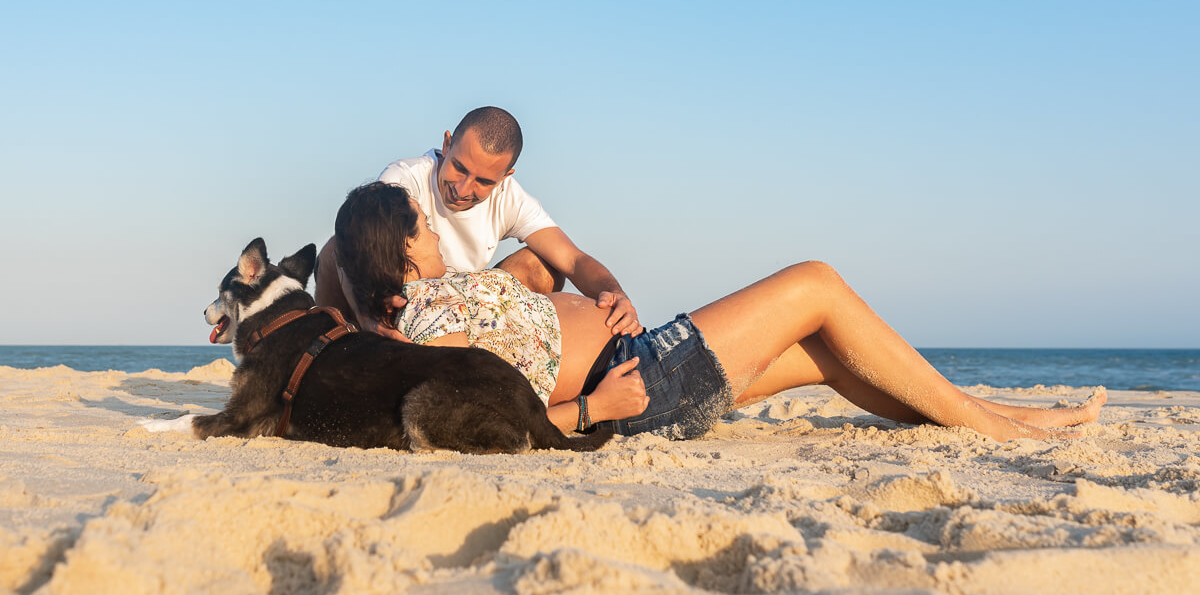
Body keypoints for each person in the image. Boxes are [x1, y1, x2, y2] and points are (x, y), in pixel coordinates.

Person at [333, 182, 1106, 443]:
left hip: (642, 367)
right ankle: (1001, 426)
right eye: (424, 224)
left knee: (835, 359)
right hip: (638, 385)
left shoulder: (423, 307)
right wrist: (591, 408)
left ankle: (1013, 416)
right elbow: (463, 424)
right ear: (397, 244)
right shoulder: (424, 325)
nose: (437, 227)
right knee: (818, 282)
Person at [315, 106, 640, 334]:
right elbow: (353, 238)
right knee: (335, 250)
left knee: (544, 265)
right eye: (459, 167)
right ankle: (335, 344)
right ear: (447, 144)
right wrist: (364, 316)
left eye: (483, 181)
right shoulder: (406, 178)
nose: (462, 188)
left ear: (504, 177)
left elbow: (572, 258)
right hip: (392, 308)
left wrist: (616, 295)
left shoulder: (510, 198)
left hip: (465, 314)